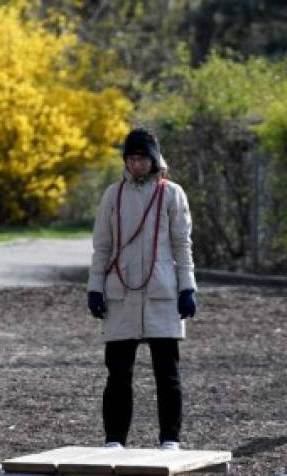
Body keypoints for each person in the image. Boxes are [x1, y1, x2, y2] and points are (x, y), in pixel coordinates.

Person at [86, 127, 197, 450]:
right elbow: (102, 246)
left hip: (162, 289)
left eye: (142, 158)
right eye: (131, 158)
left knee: (167, 371)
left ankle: (170, 438)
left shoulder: (172, 193)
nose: (137, 164)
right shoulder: (113, 195)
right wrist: (95, 287)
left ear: (154, 159)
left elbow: (182, 244)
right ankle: (115, 439)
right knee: (118, 372)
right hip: (120, 290)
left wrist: (187, 287)